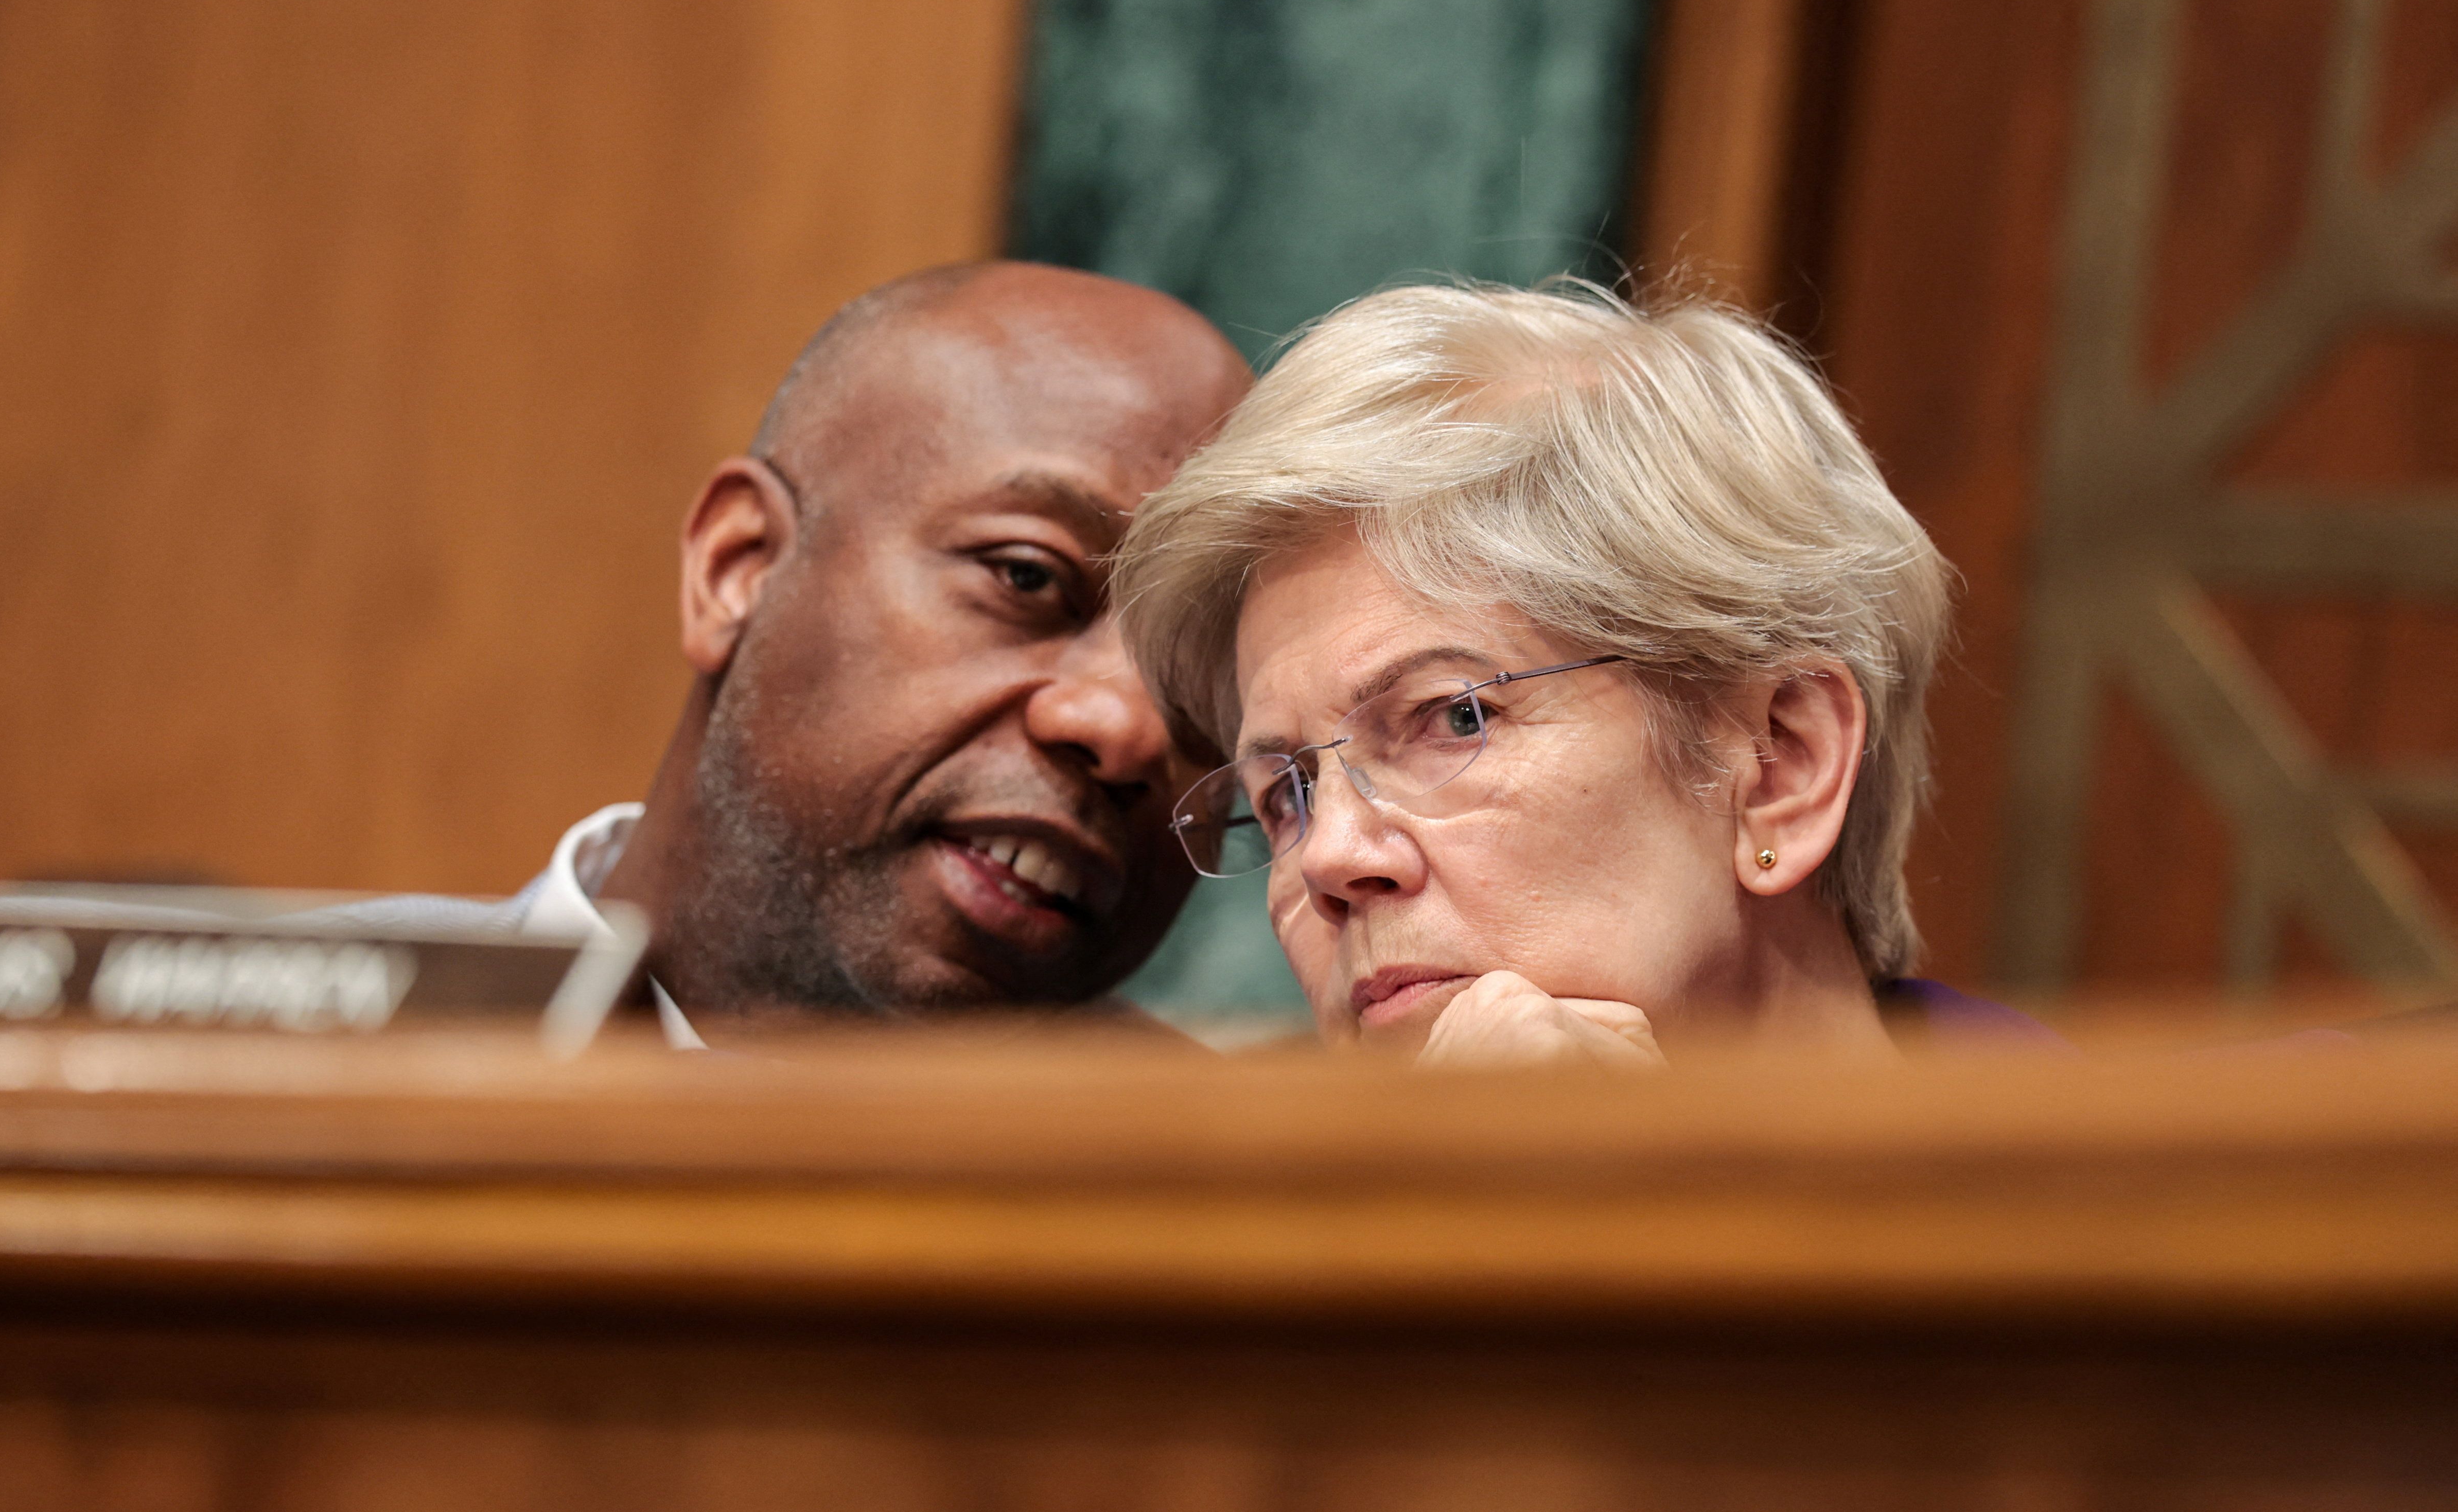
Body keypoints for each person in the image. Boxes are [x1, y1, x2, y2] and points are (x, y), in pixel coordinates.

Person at [1110, 278, 2036, 1066]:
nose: (1329, 858)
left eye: (1455, 717)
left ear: (1779, 764)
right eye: (1287, 795)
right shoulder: (1235, 1242)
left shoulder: (2115, 1222)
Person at [359, 262, 1253, 1045]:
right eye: (1025, 577)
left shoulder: (1256, 1219)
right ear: (736, 569)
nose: (1127, 726)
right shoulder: (275, 1064)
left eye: (1205, 688)